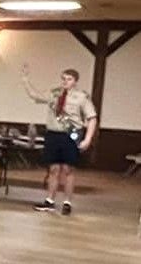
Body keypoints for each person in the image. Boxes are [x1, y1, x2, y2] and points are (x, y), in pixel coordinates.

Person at [22, 64, 98, 215]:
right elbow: (35, 95)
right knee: (54, 169)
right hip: (53, 134)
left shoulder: (81, 97)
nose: (65, 82)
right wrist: (25, 80)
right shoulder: (54, 93)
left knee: (68, 170)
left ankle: (67, 202)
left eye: (69, 79)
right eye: (63, 78)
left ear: (75, 81)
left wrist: (88, 139)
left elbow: (92, 118)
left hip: (70, 135)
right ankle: (49, 201)